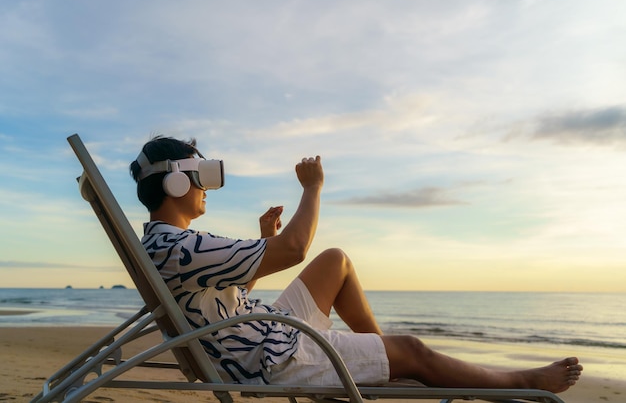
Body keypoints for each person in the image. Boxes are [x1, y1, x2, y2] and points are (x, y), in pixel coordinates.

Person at [130, 135, 582, 392]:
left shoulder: (168, 244)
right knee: (414, 349)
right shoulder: (179, 246)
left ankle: (384, 359)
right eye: (200, 177)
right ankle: (520, 381)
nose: (206, 188)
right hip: (272, 357)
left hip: (261, 334)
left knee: (336, 261)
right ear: (174, 181)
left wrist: (264, 241)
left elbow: (216, 309)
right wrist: (312, 188)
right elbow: (293, 250)